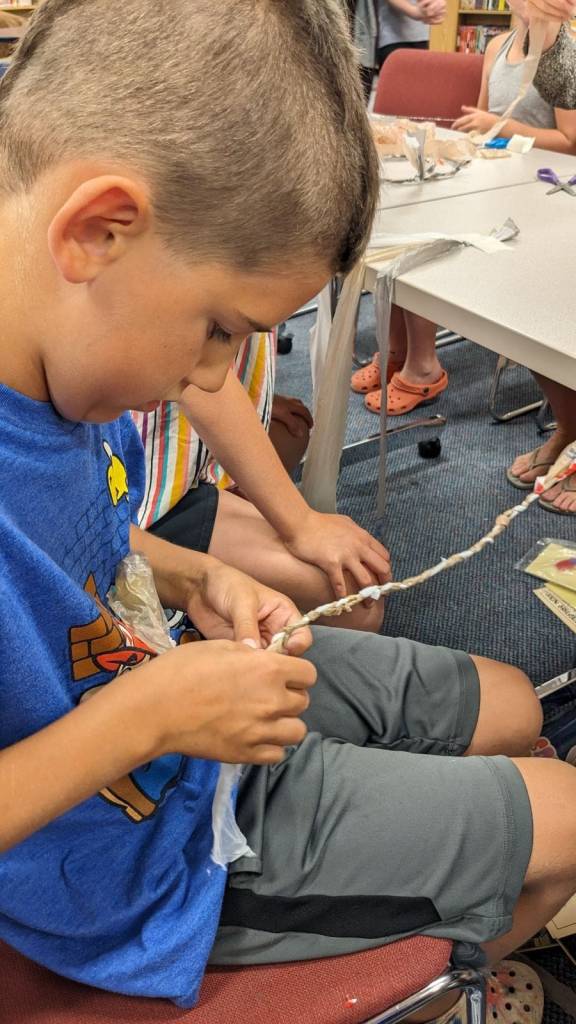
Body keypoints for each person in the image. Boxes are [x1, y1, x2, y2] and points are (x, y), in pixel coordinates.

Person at [1, 5, 576, 1024]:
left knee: (514, 706)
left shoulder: (53, 363)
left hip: (164, 707)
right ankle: (436, 983)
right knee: (566, 825)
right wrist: (149, 716)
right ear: (98, 231)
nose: (211, 377)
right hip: (127, 858)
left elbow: (66, 535)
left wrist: (189, 572)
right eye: (221, 331)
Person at [352, 0, 576, 429]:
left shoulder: (566, 53)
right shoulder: (496, 47)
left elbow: (569, 142)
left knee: (429, 233)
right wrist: (478, 134)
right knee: (404, 219)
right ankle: (397, 350)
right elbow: (480, 123)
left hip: (536, 189)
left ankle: (423, 365)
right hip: (493, 176)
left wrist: (499, 126)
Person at [135, 329, 390, 631]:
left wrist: (257, 396)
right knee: (357, 601)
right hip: (151, 492)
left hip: (183, 458)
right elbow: (195, 371)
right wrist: (301, 523)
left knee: (291, 431)